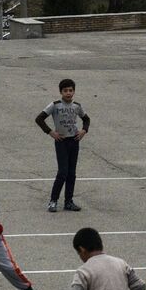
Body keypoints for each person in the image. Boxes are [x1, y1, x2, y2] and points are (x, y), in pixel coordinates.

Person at [35, 78, 90, 213]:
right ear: (61, 92)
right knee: (63, 172)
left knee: (71, 173)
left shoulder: (76, 106)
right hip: (61, 142)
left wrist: (84, 131)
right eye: (65, 91)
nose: (68, 93)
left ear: (74, 92)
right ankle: (53, 201)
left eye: (71, 90)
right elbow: (39, 119)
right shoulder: (55, 105)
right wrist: (50, 132)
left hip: (74, 141)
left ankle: (68, 201)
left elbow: (86, 119)